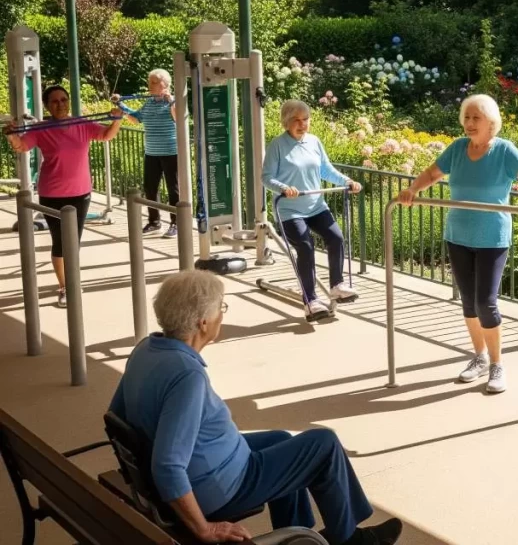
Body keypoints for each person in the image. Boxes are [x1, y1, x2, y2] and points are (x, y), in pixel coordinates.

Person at [108, 270, 403, 545]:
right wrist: (204, 528)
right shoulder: (187, 376)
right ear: (203, 323)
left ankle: (298, 534)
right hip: (217, 487)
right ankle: (349, 540)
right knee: (322, 444)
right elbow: (168, 465)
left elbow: (116, 416)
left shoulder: (146, 349)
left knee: (281, 441)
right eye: (220, 308)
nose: (222, 315)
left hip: (207, 467)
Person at [398, 94, 518, 394]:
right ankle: (478, 357)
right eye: (467, 117)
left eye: (476, 118)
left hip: (492, 238)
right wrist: (413, 189)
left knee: (485, 302)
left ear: (492, 123)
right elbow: (431, 173)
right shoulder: (457, 149)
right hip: (458, 236)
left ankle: (496, 364)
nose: (469, 123)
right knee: (468, 302)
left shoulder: (504, 151)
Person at [5, 85, 123, 307]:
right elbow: (21, 146)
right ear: (47, 106)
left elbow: (106, 135)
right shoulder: (41, 128)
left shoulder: (82, 124)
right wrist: (12, 136)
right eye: (54, 101)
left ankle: (70, 281)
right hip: (52, 194)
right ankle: (65, 286)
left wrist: (117, 119)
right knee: (61, 243)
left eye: (63, 99)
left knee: (73, 242)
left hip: (81, 193)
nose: (60, 104)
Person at [261, 100, 362, 320]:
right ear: (286, 122)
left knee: (336, 238)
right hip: (290, 211)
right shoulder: (277, 145)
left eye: (305, 119)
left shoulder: (314, 142)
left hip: (315, 206)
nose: (302, 124)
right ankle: (311, 300)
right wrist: (284, 188)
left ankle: (337, 285)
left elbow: (326, 169)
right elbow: (266, 177)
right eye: (296, 120)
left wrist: (347, 181)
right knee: (306, 247)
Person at [113, 69, 179, 238]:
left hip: (171, 152)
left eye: (154, 82)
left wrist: (171, 101)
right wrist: (120, 104)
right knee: (150, 188)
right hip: (152, 152)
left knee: (174, 190)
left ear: (165, 84)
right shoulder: (149, 102)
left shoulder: (173, 101)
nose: (150, 85)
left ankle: (176, 223)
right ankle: (154, 221)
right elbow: (136, 118)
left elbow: (179, 117)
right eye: (149, 82)